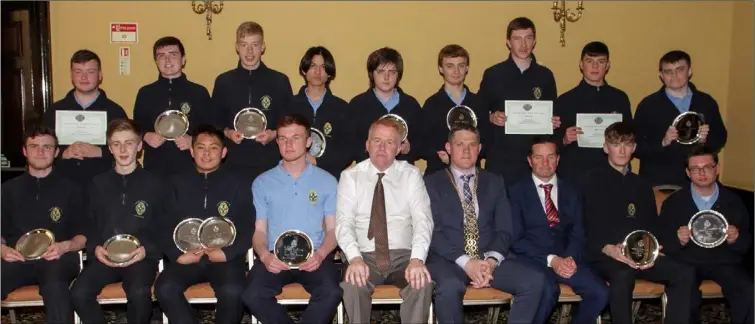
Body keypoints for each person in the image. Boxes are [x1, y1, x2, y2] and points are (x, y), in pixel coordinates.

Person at [424, 125, 546, 324]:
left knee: (535, 280)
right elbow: (432, 232)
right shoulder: (431, 183)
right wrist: (467, 262)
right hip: (450, 260)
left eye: (472, 145)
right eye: (460, 144)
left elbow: (505, 229)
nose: (466, 150)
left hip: (488, 261)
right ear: (448, 147)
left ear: (479, 149)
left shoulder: (494, 181)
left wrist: (491, 261)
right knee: (449, 286)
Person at [578, 121, 696, 324]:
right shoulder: (588, 181)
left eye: (628, 144)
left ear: (634, 148)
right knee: (623, 275)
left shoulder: (642, 184)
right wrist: (607, 248)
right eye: (616, 144)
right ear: (606, 147)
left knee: (685, 273)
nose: (622, 150)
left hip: (640, 252)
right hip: (604, 255)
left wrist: (656, 247)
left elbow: (652, 224)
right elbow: (583, 224)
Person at [243, 115, 342, 324]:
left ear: (308, 142)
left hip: (315, 256)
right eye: (283, 138)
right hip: (275, 257)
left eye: (295, 137)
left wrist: (322, 254)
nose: (288, 144)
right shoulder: (262, 182)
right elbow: (260, 231)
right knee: (252, 294)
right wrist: (264, 256)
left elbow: (333, 230)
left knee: (331, 293)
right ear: (276, 141)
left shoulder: (327, 180)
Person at [336, 118, 434, 324]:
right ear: (367, 145)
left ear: (399, 148)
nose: (382, 147)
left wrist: (417, 260)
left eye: (389, 142)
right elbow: (344, 223)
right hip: (364, 256)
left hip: (404, 255)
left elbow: (423, 220)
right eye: (376, 140)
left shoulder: (411, 175)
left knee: (421, 281)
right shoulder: (350, 177)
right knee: (353, 283)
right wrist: (354, 259)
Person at [154, 124, 254, 324]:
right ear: (191, 151)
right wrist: (177, 255)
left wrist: (228, 253)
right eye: (200, 147)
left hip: (224, 258)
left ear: (224, 152)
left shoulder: (240, 184)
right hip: (187, 257)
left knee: (233, 290)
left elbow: (249, 226)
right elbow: (161, 225)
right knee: (165, 288)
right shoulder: (174, 183)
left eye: (214, 147)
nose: (207, 153)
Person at [70, 119, 164, 324]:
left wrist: (147, 249)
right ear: (110, 148)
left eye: (129, 143)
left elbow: (163, 227)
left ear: (139, 146)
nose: (123, 149)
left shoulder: (155, 184)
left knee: (139, 293)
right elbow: (90, 224)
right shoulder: (97, 184)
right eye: (116, 144)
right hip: (104, 256)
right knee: (79, 293)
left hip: (140, 257)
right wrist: (95, 248)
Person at [509, 136, 608, 324]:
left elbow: (579, 232)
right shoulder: (515, 192)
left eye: (550, 157)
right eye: (539, 157)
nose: (545, 163)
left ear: (558, 159)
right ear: (530, 161)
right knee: (546, 291)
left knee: (600, 292)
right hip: (533, 261)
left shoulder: (573, 191)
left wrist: (570, 257)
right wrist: (552, 260)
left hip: (567, 260)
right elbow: (516, 239)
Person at [1, 125, 86, 324]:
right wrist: (2, 249)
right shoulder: (7, 190)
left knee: (55, 285)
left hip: (58, 257)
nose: (40, 152)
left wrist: (66, 246)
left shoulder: (72, 189)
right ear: (24, 150)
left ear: (56, 152)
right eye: (34, 146)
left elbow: (83, 236)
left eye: (47, 147)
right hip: (17, 258)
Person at [661, 146, 753, 324]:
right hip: (687, 262)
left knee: (749, 292)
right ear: (688, 173)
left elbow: (746, 243)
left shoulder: (733, 201)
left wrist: (736, 239)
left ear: (717, 169)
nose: (701, 173)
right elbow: (663, 242)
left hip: (724, 261)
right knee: (684, 296)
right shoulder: (674, 202)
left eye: (708, 167)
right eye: (695, 169)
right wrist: (677, 239)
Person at [478, 17, 560, 186]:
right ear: (508, 42)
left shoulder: (545, 76)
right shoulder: (493, 74)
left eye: (528, 38)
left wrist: (553, 121)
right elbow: (478, 112)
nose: (523, 45)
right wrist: (491, 117)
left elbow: (553, 113)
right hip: (502, 159)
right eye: (517, 38)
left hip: (535, 161)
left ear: (534, 41)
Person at [212, 21, 293, 185]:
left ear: (263, 46)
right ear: (237, 47)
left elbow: (289, 123)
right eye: (244, 45)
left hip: (269, 162)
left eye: (255, 45)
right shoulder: (224, 81)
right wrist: (228, 133)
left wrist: (273, 134)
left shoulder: (279, 81)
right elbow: (214, 122)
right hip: (232, 163)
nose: (249, 51)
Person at [634, 50, 728, 187]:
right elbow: (636, 147)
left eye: (680, 69)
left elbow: (721, 138)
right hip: (660, 183)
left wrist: (705, 141)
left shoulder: (706, 102)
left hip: (699, 182)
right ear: (661, 75)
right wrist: (662, 142)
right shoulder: (647, 106)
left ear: (689, 71)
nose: (674, 75)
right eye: (668, 71)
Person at [43, 49, 128, 190]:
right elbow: (42, 147)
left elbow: (128, 149)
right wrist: (64, 153)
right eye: (78, 72)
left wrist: (100, 152)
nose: (84, 77)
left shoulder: (115, 112)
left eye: (90, 72)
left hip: (103, 187)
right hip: (63, 186)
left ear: (100, 75)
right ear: (71, 75)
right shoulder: (55, 111)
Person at [133, 36, 213, 180]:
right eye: (162, 56)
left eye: (173, 55)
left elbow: (210, 129)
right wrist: (146, 136)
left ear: (183, 59)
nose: (167, 60)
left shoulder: (198, 92)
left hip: (189, 166)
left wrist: (194, 141)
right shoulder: (145, 93)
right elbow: (136, 127)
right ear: (156, 62)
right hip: (155, 166)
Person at [554, 41, 633, 180]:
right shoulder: (565, 100)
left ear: (607, 65)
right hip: (576, 174)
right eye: (589, 61)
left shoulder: (619, 98)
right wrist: (564, 139)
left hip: (612, 173)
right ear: (581, 64)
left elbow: (630, 136)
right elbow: (551, 143)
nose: (595, 66)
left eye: (601, 61)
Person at [421, 45, 490, 176]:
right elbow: (423, 144)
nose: (456, 71)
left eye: (461, 66)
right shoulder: (431, 104)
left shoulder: (479, 103)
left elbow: (487, 141)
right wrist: (442, 156)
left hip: (472, 173)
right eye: (450, 66)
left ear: (467, 68)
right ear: (441, 69)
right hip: (439, 174)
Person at [285, 46, 352, 179]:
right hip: (294, 175)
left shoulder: (342, 108)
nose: (317, 72)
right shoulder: (289, 105)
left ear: (329, 73)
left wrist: (318, 162)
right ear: (304, 70)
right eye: (313, 66)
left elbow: (348, 149)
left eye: (323, 67)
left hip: (329, 177)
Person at [348, 47, 423, 165]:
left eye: (392, 72)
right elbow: (349, 144)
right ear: (372, 74)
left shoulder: (411, 105)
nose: (386, 77)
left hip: (402, 174)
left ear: (398, 75)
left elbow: (422, 143)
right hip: (367, 174)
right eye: (381, 71)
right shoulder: (357, 105)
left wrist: (410, 149)